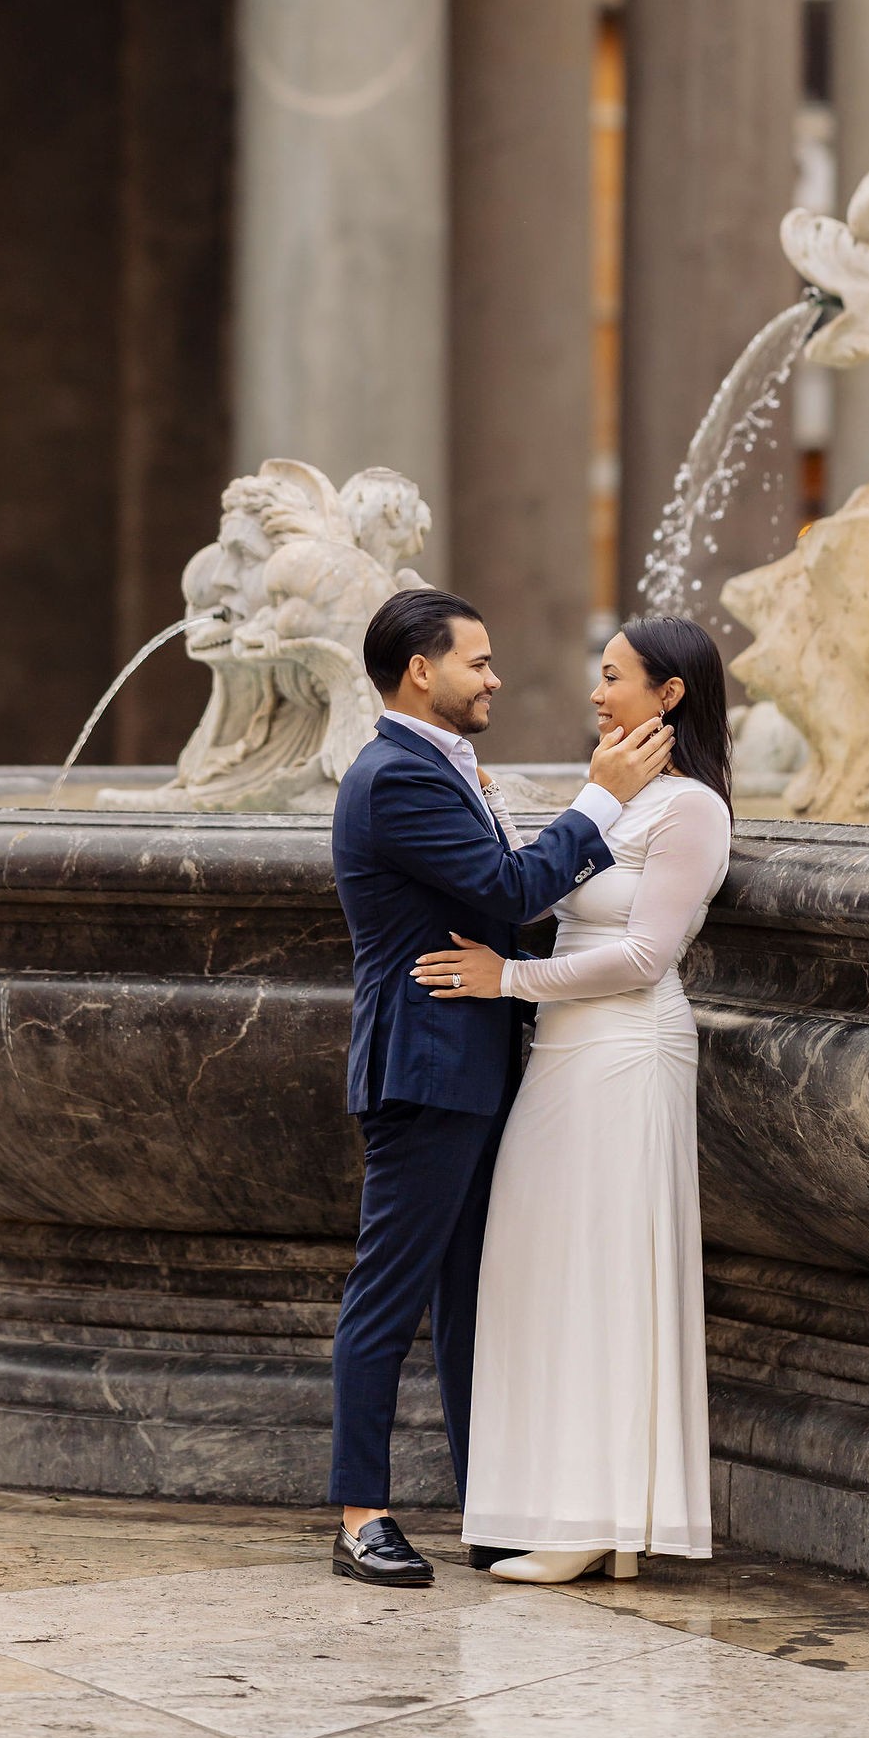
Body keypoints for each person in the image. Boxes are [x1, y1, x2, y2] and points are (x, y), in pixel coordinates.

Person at [327, 585, 676, 1589]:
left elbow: (501, 886)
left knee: (479, 1297)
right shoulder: (396, 776)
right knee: (387, 1297)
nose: (494, 677)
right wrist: (602, 799)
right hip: (424, 1072)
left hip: (471, 1064)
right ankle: (360, 1519)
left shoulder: (441, 766)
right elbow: (511, 891)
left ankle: (496, 1507)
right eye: (476, 662)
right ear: (419, 673)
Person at [411, 614, 734, 1584]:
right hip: (562, 1055)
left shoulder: (691, 811)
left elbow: (642, 958)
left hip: (628, 1052)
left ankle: (601, 1521)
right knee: (542, 1264)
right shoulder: (619, 794)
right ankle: (582, 1514)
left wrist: (499, 981)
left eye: (613, 677)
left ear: (668, 694)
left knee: (604, 1272)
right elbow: (537, 899)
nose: (595, 695)